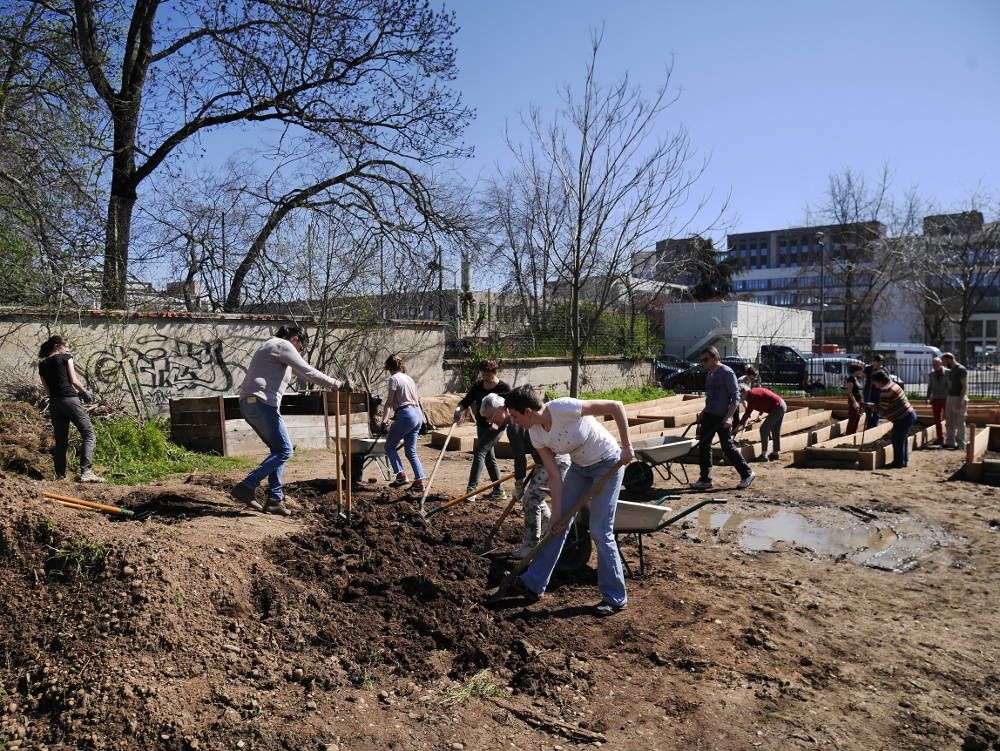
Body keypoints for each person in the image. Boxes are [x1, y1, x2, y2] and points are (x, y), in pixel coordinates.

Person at [491, 385, 633, 617]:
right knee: (555, 528)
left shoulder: (564, 408)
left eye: (515, 416)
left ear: (528, 412)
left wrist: (627, 446)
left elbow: (616, 406)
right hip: (579, 468)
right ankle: (533, 584)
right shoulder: (535, 433)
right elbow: (555, 476)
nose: (514, 422)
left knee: (599, 530)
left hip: (609, 462)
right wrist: (556, 516)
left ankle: (615, 597)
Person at [231, 326, 346, 515]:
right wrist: (336, 384)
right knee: (285, 450)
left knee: (279, 450)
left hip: (250, 403)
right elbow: (307, 371)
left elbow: (302, 372)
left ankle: (275, 499)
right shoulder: (282, 344)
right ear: (295, 339)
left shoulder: (270, 345)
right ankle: (247, 485)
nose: (300, 352)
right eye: (302, 348)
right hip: (261, 404)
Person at [480, 392, 571, 558]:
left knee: (530, 498)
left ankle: (531, 545)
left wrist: (519, 483)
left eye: (492, 417)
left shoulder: (515, 425)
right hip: (546, 461)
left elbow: (519, 458)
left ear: (502, 409)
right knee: (533, 498)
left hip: (555, 461)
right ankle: (548, 531)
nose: (492, 422)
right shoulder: (513, 423)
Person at [37, 336, 102, 483]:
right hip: (70, 399)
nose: (68, 349)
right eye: (67, 346)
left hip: (54, 403)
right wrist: (84, 392)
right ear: (57, 346)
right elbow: (73, 380)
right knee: (88, 433)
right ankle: (86, 472)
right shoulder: (66, 357)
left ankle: (60, 476)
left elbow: (47, 391)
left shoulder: (42, 365)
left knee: (61, 441)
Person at [690, 347, 755, 490]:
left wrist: (729, 417)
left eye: (706, 359)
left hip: (723, 417)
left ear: (715, 358)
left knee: (727, 446)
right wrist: (704, 412)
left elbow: (735, 396)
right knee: (704, 445)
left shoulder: (727, 373)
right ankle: (705, 479)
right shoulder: (710, 375)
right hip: (710, 415)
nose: (703, 363)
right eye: (702, 360)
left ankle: (747, 473)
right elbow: (711, 398)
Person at [455, 360, 510, 501]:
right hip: (482, 425)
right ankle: (499, 491)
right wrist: (459, 408)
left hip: (497, 426)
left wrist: (497, 424)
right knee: (489, 458)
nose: (486, 378)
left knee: (480, 451)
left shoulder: (504, 388)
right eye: (484, 375)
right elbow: (467, 400)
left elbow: (507, 411)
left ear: (496, 372)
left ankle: (471, 491)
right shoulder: (479, 386)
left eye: (489, 375)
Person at [378, 354, 426, 492]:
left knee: (389, 446)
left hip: (406, 415)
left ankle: (401, 475)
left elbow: (389, 402)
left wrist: (384, 421)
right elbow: (415, 400)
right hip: (417, 414)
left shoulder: (393, 379)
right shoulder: (409, 378)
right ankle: (419, 482)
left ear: (388, 367)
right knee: (410, 451)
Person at [866, 370, 917, 468]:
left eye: (875, 383)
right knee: (902, 438)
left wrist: (870, 407)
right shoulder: (893, 384)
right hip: (908, 414)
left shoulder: (886, 391)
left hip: (903, 417)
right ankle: (903, 461)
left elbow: (882, 408)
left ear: (880, 381)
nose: (874, 385)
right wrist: (872, 405)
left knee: (897, 439)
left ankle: (898, 462)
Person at [736, 384, 786, 461]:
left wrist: (738, 426)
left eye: (740, 396)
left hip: (777, 407)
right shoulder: (753, 393)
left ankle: (764, 455)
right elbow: (763, 401)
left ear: (744, 392)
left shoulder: (751, 396)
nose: (740, 398)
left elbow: (747, 414)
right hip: (781, 405)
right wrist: (760, 415)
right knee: (775, 430)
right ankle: (776, 453)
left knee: (763, 429)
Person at [940, 352, 968, 449]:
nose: (942, 363)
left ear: (949, 359)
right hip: (950, 397)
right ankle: (950, 442)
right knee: (949, 421)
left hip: (958, 397)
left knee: (960, 421)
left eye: (943, 361)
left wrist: (960, 400)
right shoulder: (951, 370)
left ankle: (961, 444)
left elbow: (964, 386)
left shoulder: (961, 369)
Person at [926, 357, 950, 446]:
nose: (934, 366)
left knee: (949, 419)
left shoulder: (948, 373)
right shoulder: (931, 374)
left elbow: (951, 386)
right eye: (933, 365)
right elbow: (930, 387)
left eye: (936, 365)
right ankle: (940, 438)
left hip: (946, 399)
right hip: (935, 399)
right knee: (937, 419)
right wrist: (927, 397)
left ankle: (950, 437)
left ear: (941, 364)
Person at [863, 354, 886, 429]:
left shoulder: (882, 370)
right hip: (868, 390)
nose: (880, 364)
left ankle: (875, 423)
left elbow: (887, 379)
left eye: (881, 363)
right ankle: (869, 423)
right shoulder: (868, 368)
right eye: (878, 363)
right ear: (875, 362)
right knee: (868, 407)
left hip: (878, 391)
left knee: (877, 406)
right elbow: (862, 376)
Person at [845, 363, 866, 434]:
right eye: (860, 370)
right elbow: (850, 392)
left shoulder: (856, 378)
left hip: (858, 400)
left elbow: (864, 376)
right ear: (855, 371)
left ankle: (853, 433)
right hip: (854, 401)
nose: (861, 372)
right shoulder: (850, 379)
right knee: (853, 418)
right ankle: (849, 434)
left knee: (857, 417)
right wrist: (854, 402)